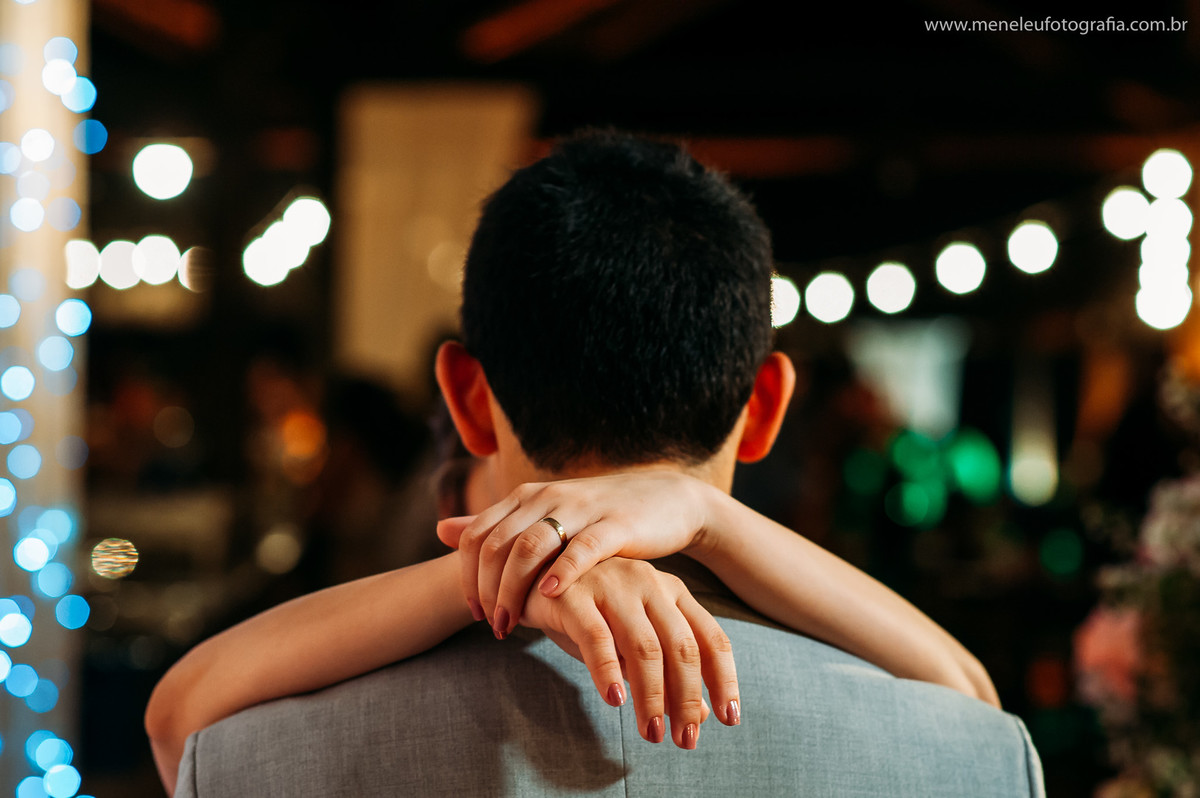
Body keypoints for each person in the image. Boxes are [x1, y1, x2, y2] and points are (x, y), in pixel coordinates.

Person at [146, 130, 1043, 796]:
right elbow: (972, 692)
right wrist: (711, 519)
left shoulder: (255, 755)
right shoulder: (970, 757)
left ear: (463, 398)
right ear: (766, 405)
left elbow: (175, 718)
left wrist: (496, 571)